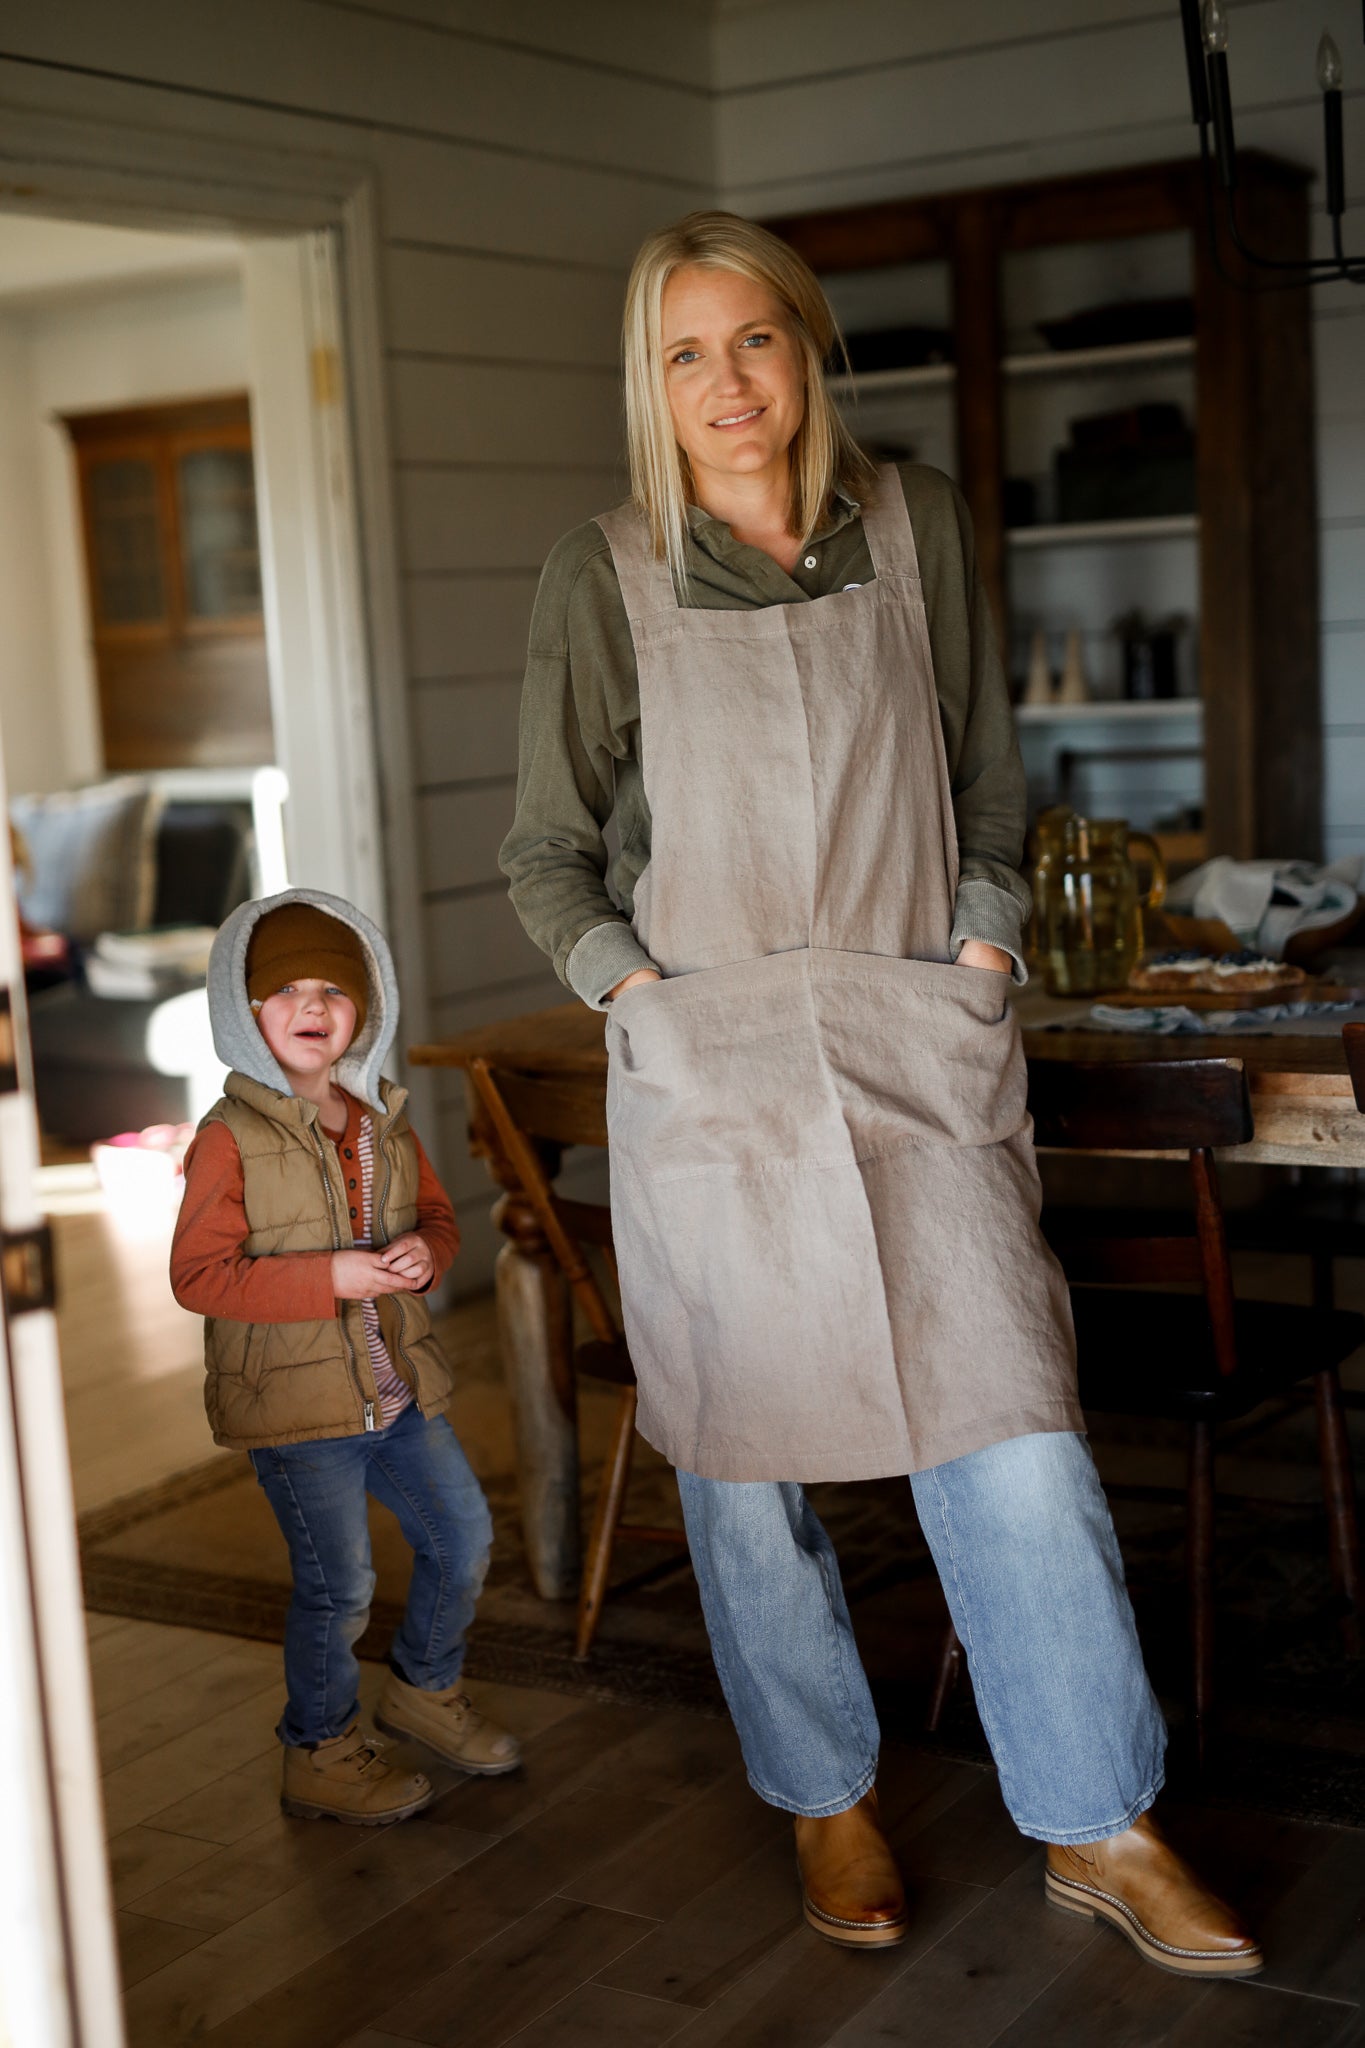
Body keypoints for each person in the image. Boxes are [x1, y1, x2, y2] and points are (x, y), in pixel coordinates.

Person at [500, 210, 1262, 1973]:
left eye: (753, 339)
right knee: (743, 1455)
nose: (726, 383)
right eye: (684, 352)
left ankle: (1098, 1818)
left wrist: (985, 947)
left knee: (1010, 1423)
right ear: (651, 381)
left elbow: (995, 779)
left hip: (920, 1039)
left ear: (810, 345)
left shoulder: (920, 525)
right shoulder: (601, 570)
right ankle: (823, 1786)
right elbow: (546, 851)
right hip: (720, 1064)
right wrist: (641, 994)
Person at [170, 887, 520, 1824]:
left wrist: (425, 1256)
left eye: (334, 988)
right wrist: (331, 1274)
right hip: (297, 1411)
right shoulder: (228, 1139)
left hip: (398, 1388)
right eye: (286, 992)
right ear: (243, 1016)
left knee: (464, 1539)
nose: (313, 1007)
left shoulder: (383, 1121)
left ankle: (424, 1690)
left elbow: (437, 1222)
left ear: (368, 1005)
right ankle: (318, 1750)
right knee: (339, 1587)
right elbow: (200, 1277)